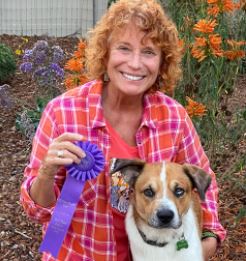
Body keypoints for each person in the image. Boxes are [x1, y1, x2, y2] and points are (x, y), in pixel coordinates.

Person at [20, 0, 226, 260]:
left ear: (163, 61)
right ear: (105, 53)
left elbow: (206, 184)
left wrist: (208, 239)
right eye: (124, 48)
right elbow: (36, 211)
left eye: (149, 52)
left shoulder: (173, 117)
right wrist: (47, 173)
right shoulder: (63, 112)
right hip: (78, 254)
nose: (135, 63)